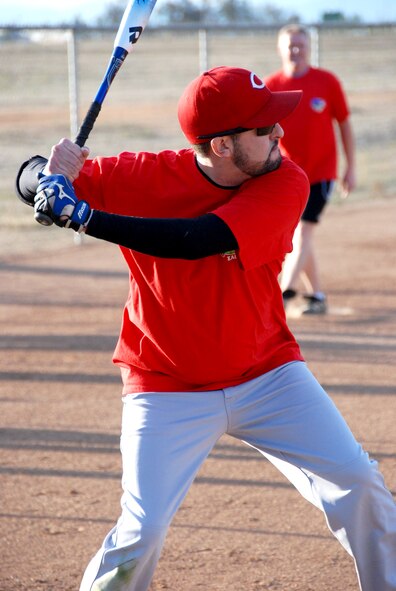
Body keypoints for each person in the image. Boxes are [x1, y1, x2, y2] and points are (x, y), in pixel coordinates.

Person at [15, 66, 395, 591]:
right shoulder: (143, 176)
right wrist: (48, 175)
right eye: (264, 130)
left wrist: (83, 216)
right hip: (165, 384)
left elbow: (198, 237)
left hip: (268, 374)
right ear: (221, 146)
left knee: (359, 484)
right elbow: (23, 178)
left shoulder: (287, 180)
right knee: (141, 531)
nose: (280, 134)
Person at [266, 24, 357, 314]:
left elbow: (344, 124)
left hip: (321, 173)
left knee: (303, 233)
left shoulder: (327, 82)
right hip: (286, 174)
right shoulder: (271, 87)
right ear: (280, 49)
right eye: (290, 45)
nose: (295, 50)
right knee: (299, 234)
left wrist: (350, 167)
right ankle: (317, 295)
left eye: (300, 45)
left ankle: (283, 294)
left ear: (309, 48)